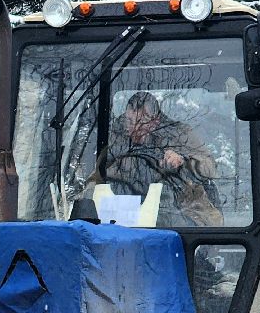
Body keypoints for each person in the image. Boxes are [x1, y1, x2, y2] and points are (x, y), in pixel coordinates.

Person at [91, 91, 223, 226]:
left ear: (156, 121)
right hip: (125, 211)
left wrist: (184, 161)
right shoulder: (114, 137)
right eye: (130, 121)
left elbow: (210, 168)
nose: (134, 128)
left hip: (180, 210)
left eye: (141, 122)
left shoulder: (180, 135)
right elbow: (98, 175)